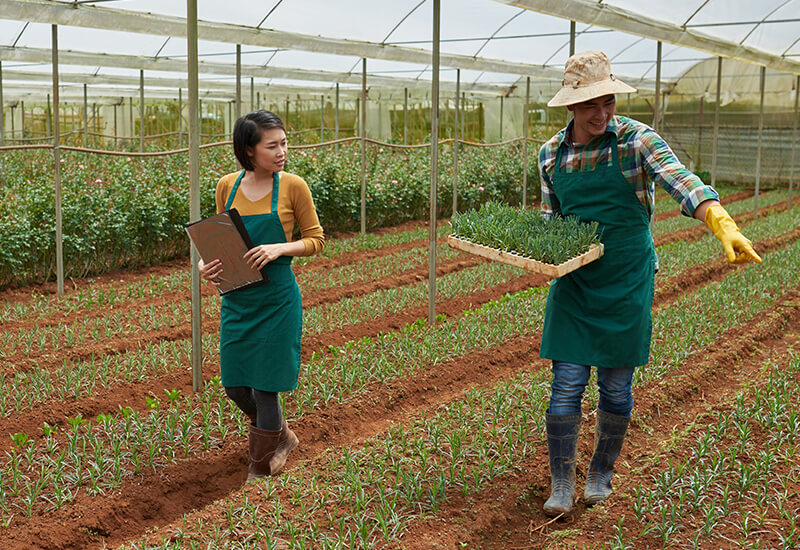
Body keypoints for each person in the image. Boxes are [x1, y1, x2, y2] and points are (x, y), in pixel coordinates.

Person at [537, 51, 760, 516]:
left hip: (625, 278)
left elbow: (679, 179)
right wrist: (541, 253)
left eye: (608, 102)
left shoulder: (637, 141)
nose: (601, 114)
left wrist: (719, 219)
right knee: (565, 385)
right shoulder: (550, 154)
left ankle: (600, 473)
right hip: (576, 285)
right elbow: (550, 219)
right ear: (570, 107)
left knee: (615, 389)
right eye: (589, 106)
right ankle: (561, 483)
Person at [198, 110, 325, 481]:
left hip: (277, 299)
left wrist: (279, 249)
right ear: (249, 151)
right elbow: (221, 239)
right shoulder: (228, 186)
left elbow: (316, 239)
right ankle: (280, 436)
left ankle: (259, 470)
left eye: (284, 143)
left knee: (265, 389)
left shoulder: (293, 187)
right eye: (273, 145)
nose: (282, 151)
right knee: (235, 386)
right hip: (238, 298)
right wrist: (206, 266)